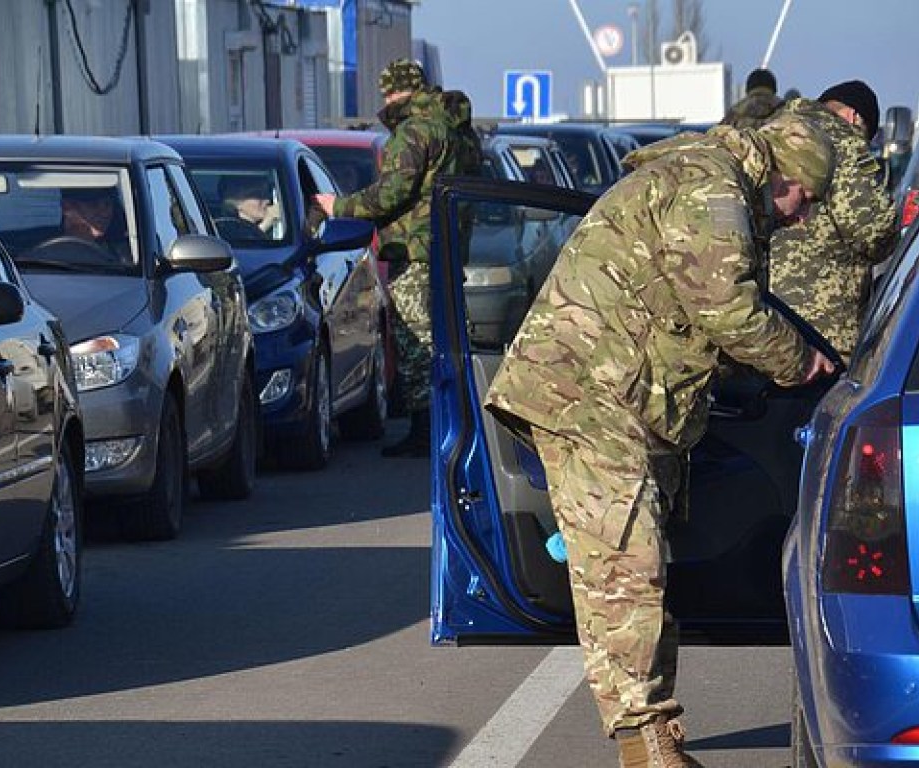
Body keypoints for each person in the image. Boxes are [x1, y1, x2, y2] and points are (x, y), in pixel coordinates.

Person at [483, 113, 837, 768]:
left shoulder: (716, 181)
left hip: (620, 397)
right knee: (627, 569)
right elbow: (727, 309)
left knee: (638, 568)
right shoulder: (712, 188)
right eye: (804, 199)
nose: (804, 217)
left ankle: (655, 736)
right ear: (782, 176)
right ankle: (644, 744)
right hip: (587, 396)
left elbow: (688, 309)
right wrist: (802, 364)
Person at [313, 59, 482, 458]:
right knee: (446, 339)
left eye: (387, 93)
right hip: (448, 247)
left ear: (394, 92)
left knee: (415, 341)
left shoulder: (413, 132)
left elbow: (392, 194)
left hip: (415, 250)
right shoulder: (455, 129)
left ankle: (426, 431)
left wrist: (338, 206)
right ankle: (454, 423)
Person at [769, 80, 899, 359]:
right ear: (854, 117)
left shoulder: (774, 130)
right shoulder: (843, 141)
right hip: (821, 327)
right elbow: (874, 230)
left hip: (763, 320)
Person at [55, 186, 131, 263]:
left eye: (107, 204)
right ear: (67, 207)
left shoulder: (126, 254)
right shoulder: (46, 259)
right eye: (93, 205)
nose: (104, 213)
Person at [216, 174, 280, 243]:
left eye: (267, 194)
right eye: (258, 195)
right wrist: (267, 222)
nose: (267, 200)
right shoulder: (226, 228)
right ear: (236, 202)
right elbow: (242, 247)